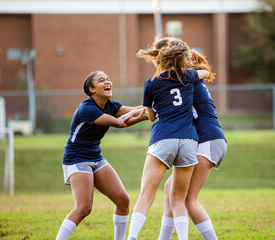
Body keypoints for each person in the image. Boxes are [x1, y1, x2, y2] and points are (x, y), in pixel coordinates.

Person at [126, 38, 209, 240]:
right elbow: (205, 72)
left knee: (146, 196)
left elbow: (152, 116)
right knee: (178, 200)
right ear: (179, 59)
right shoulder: (188, 77)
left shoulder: (150, 84)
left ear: (159, 58)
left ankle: (132, 237)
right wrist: (189, 68)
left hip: (163, 139)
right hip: (189, 141)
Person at [55, 71, 148, 240]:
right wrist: (145, 115)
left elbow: (136, 110)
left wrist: (156, 109)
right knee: (84, 208)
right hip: (77, 159)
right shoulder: (87, 108)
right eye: (101, 80)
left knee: (122, 200)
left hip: (95, 157)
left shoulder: (111, 106)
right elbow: (119, 123)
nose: (108, 82)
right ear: (91, 89)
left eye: (109, 79)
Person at [158, 50, 227, 240]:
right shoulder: (193, 84)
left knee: (188, 199)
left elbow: (161, 107)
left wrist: (135, 114)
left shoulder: (189, 84)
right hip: (210, 140)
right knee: (170, 188)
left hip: (208, 140)